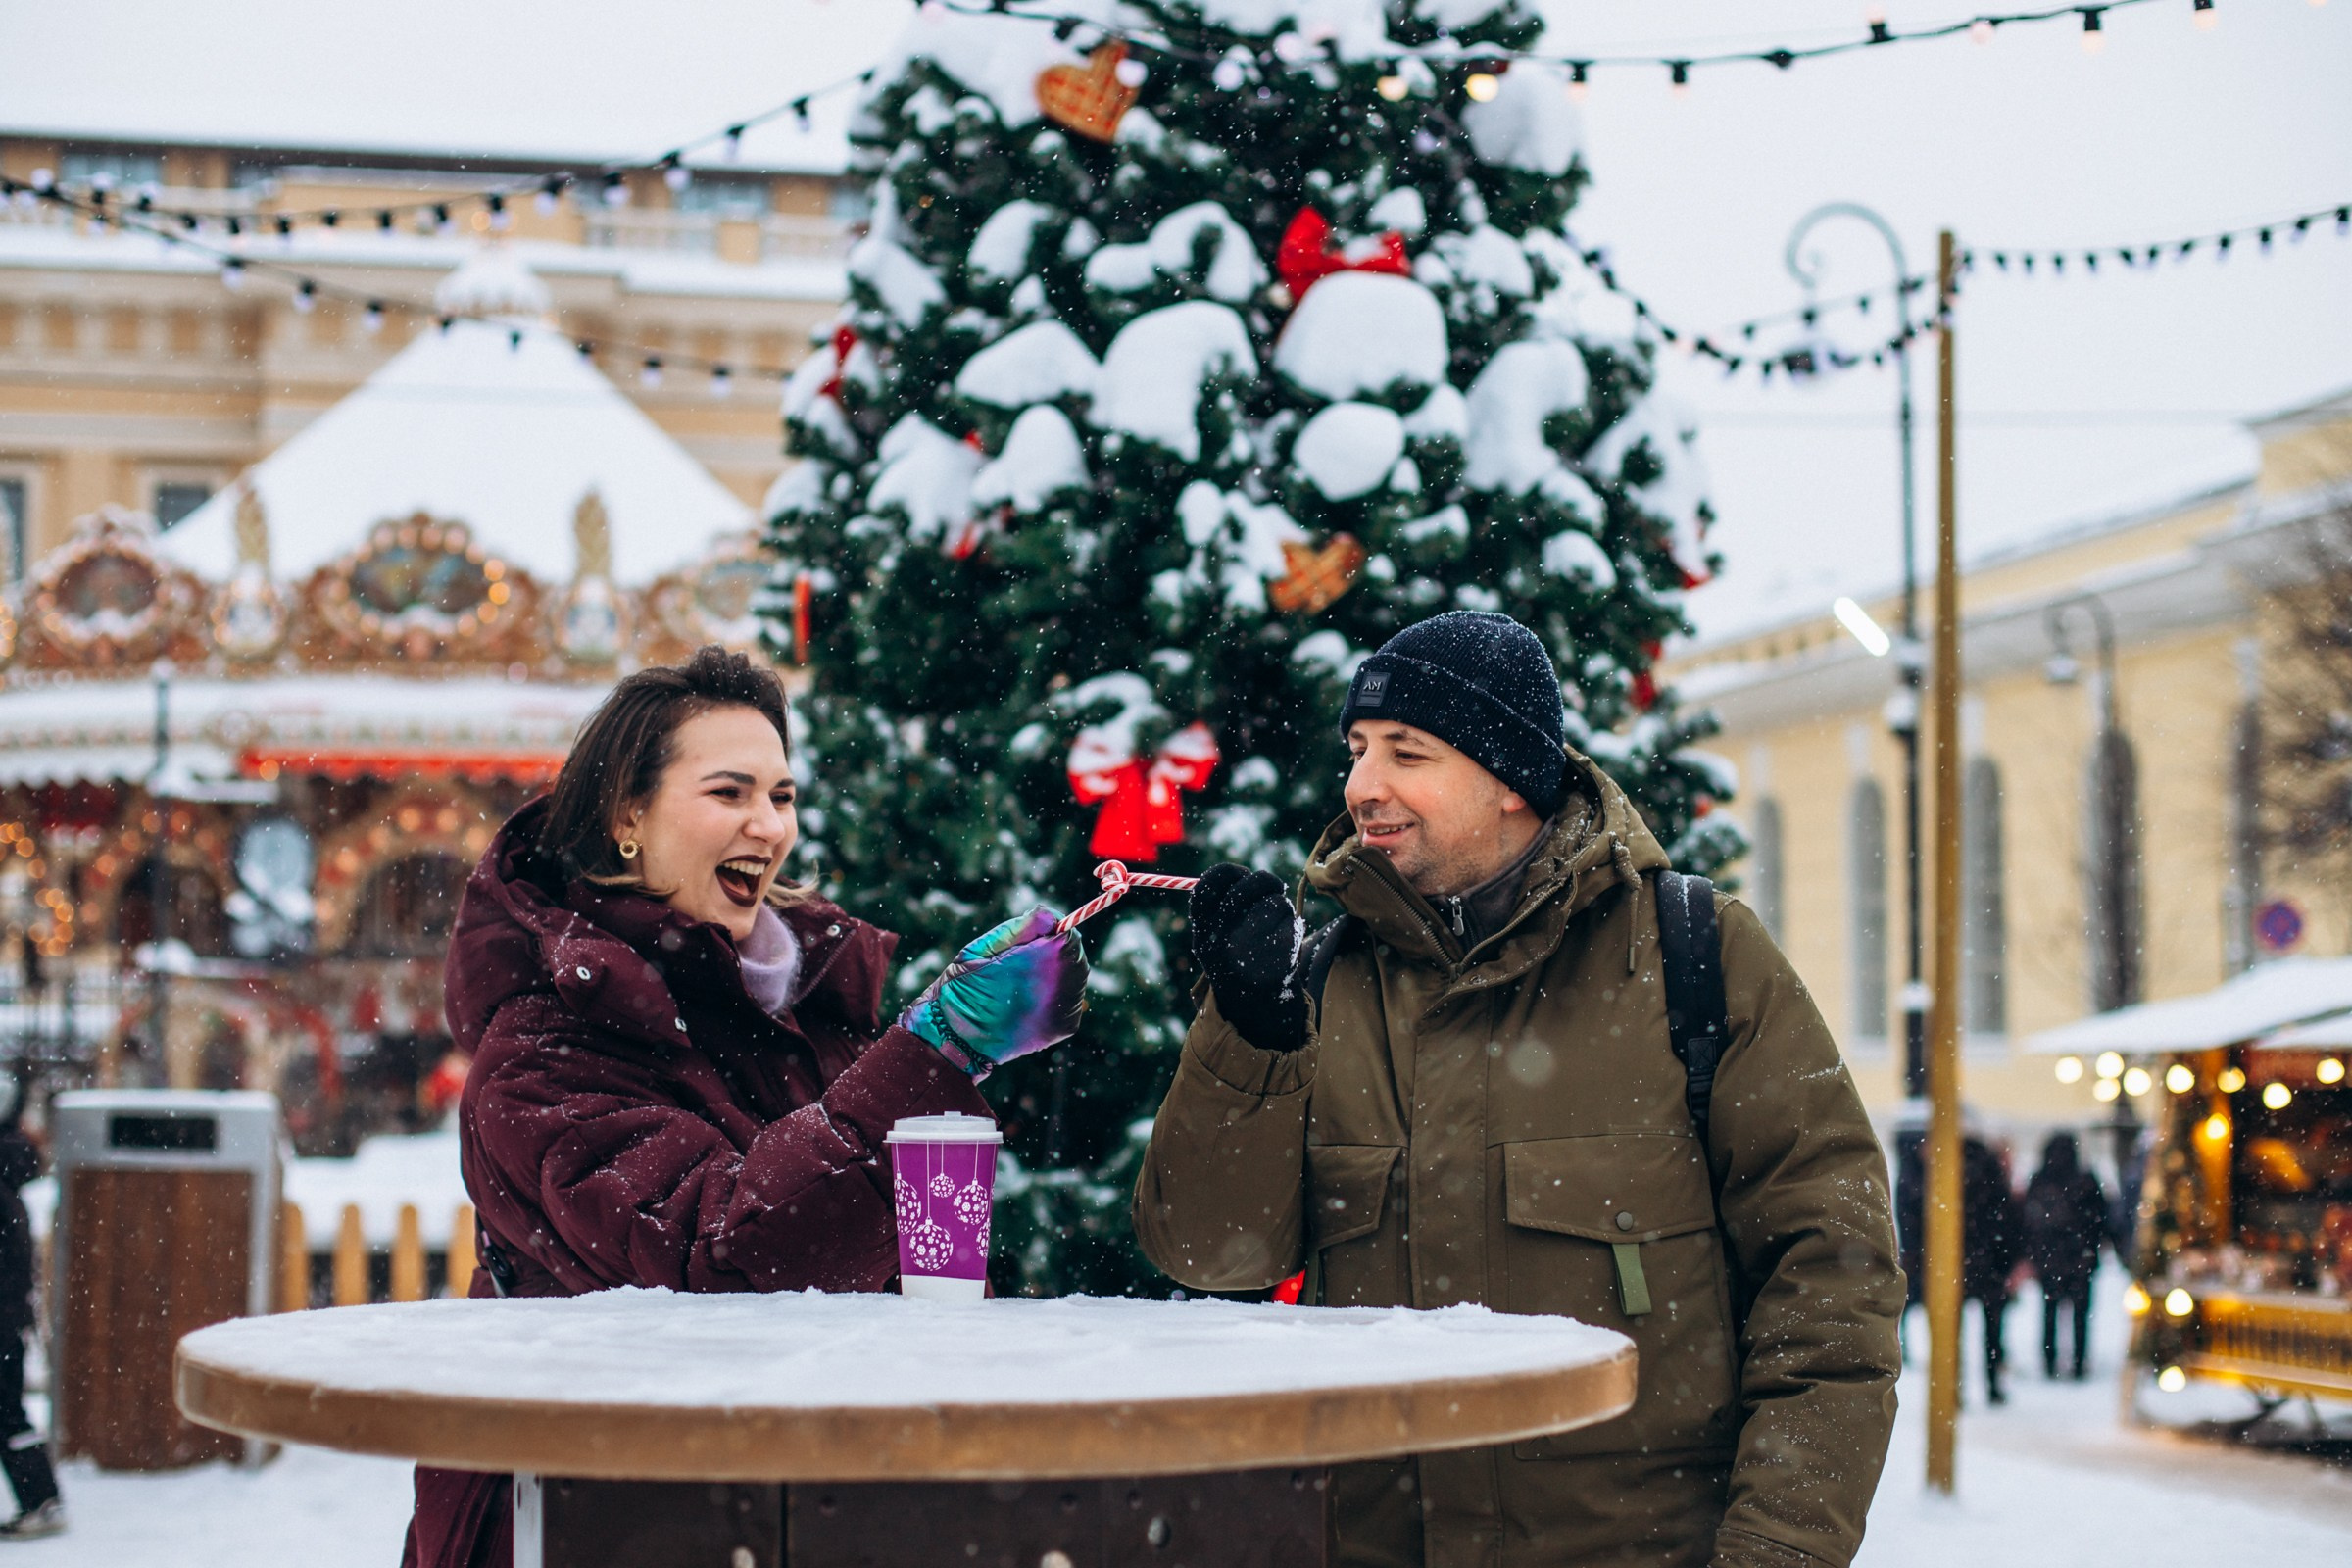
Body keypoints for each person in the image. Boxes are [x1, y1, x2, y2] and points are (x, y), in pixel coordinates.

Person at [1135, 612, 1904, 1568]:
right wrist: (1250, 1035)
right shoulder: (1322, 984)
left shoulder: (1696, 957)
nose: (1361, 786)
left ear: (1509, 781)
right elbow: (1211, 1254)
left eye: (1407, 753)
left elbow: (1833, 1279)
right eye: (1358, 750)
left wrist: (1776, 1550)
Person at [403, 647, 1088, 1568]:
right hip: (587, 1519)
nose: (767, 824)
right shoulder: (539, 1051)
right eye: (729, 793)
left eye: (783, 796)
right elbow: (724, 1260)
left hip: (789, 1512)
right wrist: (938, 1054)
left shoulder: (802, 1011)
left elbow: (888, 1266)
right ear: (627, 817)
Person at [0, 1091, 61, 1542]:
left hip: (2, 1320)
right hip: (8, 1319)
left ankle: (40, 1500)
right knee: (8, 1411)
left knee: (7, 1412)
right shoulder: (9, 1189)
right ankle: (41, 1498)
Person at [2022, 1131, 2108, 1380]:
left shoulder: (2041, 1180)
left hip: (2051, 1260)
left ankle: (2050, 1362)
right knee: (2080, 1316)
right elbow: (2100, 1218)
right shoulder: (2086, 1179)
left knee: (2049, 1313)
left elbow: (2030, 1222)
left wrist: (2034, 1254)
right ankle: (2079, 1362)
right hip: (2081, 1258)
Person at [1960, 1135, 2022, 1405]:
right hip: (1992, 1266)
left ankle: (1952, 1388)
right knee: (1993, 1333)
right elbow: (2009, 1225)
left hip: (1957, 1265)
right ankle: (1993, 1387)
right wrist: (2007, 1265)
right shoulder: (1995, 1178)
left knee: (1953, 1333)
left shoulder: (1951, 1176)